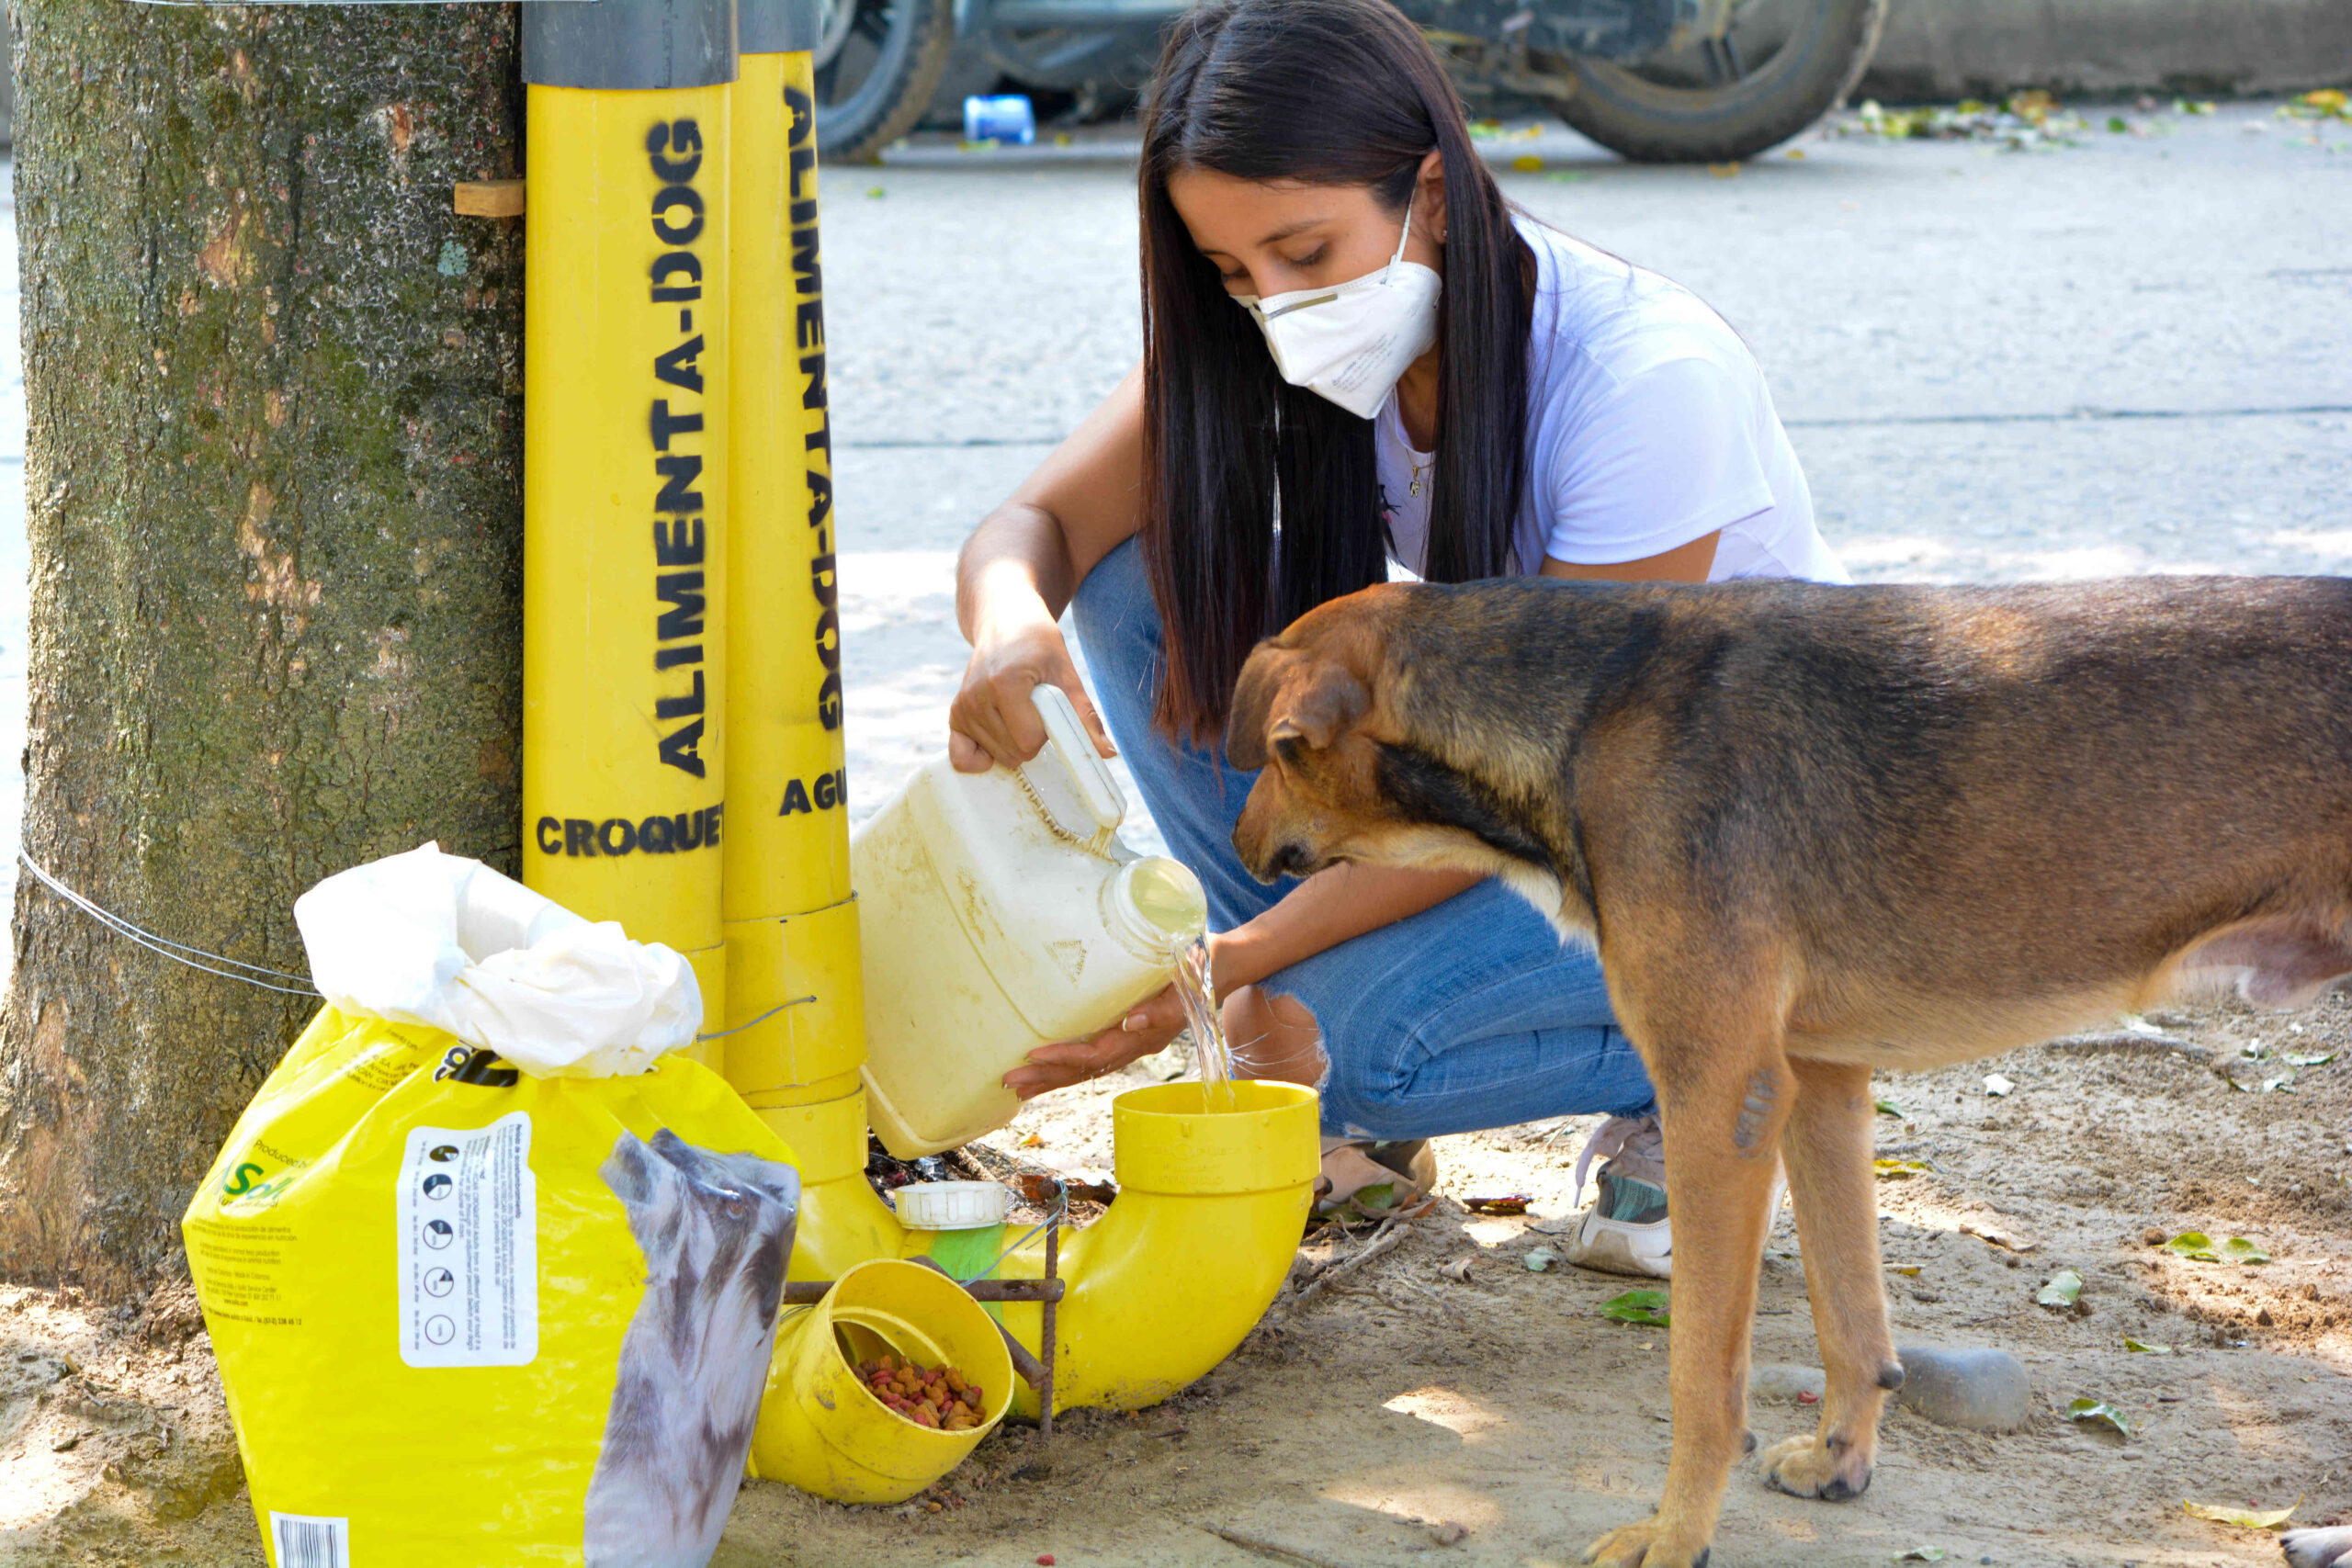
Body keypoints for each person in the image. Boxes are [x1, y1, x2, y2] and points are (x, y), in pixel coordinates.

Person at [946, 0, 1847, 1276]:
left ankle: (1721, 1071)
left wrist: (1229, 971)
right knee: (1131, 580)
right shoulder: (1292, 332)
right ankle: (1334, 1055)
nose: (1272, 302)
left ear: (1429, 191)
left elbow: (1534, 786)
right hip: (1508, 808)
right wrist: (1007, 630)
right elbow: (1036, 522)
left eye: (1305, 251)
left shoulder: (1647, 382)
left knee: (1321, 1043)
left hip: (1724, 848)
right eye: (1230, 271)